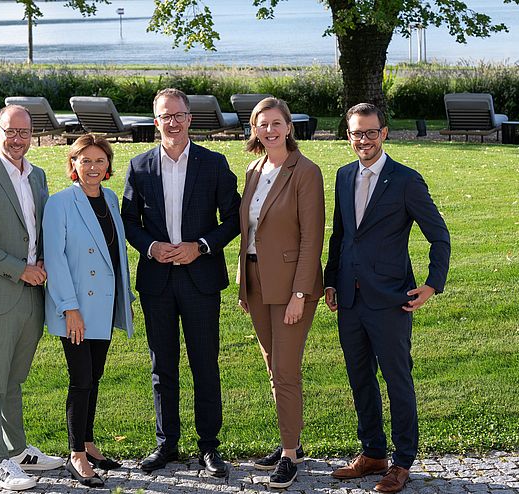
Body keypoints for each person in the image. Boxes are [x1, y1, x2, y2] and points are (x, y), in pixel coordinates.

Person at [324, 103, 450, 493]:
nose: (364, 140)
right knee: (360, 378)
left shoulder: (406, 180)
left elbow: (439, 236)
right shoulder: (344, 176)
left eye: (370, 132)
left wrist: (432, 284)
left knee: (398, 380)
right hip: (349, 298)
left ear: (385, 132)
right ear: (348, 136)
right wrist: (331, 281)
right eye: (356, 133)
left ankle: (402, 461)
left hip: (391, 300)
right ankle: (373, 452)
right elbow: (341, 236)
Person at [121, 88, 241, 477]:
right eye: (165, 116)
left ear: (190, 118)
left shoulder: (214, 164)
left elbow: (235, 219)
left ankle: (209, 447)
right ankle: (166, 443)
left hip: (201, 279)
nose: (172, 122)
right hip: (157, 281)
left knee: (205, 363)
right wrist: (151, 246)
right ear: (155, 121)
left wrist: (202, 246)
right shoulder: (139, 167)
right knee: (163, 366)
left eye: (179, 115)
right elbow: (128, 223)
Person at [0, 105, 62, 491]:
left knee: (15, 378)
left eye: (24, 132)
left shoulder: (38, 176)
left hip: (33, 294)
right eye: (11, 132)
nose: (18, 139)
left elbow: (38, 228)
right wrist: (19, 268)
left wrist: (42, 262)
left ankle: (18, 452)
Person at [237, 97, 325, 489]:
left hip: (292, 287)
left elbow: (312, 238)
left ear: (289, 127)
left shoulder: (306, 171)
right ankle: (292, 442)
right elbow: (250, 234)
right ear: (254, 129)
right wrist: (244, 283)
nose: (269, 130)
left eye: (276, 123)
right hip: (256, 282)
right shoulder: (254, 169)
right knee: (274, 368)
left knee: (286, 370)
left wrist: (301, 294)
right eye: (262, 124)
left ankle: (289, 455)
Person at [42, 134, 135, 488]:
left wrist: (123, 296)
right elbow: (56, 259)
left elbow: (116, 255)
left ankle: (90, 442)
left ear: (108, 166)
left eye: (100, 161)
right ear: (73, 165)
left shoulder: (111, 199)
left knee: (94, 377)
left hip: (104, 304)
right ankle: (76, 454)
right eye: (86, 161)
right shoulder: (60, 203)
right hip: (77, 308)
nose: (93, 167)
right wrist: (70, 309)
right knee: (80, 380)